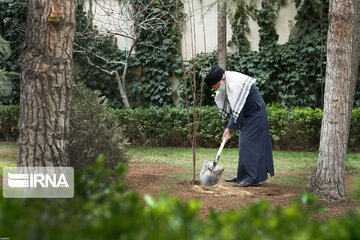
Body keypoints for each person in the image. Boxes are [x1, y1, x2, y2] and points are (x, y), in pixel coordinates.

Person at [204, 66, 274, 187]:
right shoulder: (228, 81)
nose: (216, 89)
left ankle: (251, 178)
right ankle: (242, 175)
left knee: (249, 144)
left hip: (255, 113)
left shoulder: (235, 83)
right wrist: (228, 129)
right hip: (248, 113)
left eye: (216, 86)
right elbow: (235, 108)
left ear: (222, 79)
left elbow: (237, 109)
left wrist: (228, 129)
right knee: (244, 143)